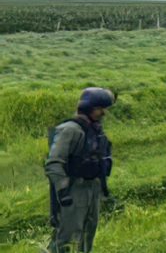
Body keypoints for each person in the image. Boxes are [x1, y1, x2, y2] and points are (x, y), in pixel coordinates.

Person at [45, 87, 116, 253]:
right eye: (100, 109)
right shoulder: (70, 130)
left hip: (92, 188)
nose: (103, 113)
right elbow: (54, 163)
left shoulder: (94, 129)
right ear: (88, 108)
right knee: (67, 240)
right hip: (74, 190)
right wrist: (63, 191)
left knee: (87, 237)